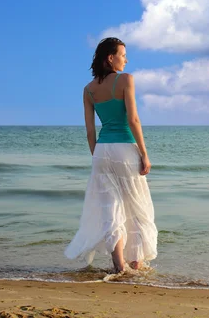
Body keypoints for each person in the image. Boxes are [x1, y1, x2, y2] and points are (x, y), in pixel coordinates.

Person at [65, 37, 157, 273]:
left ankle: (119, 265)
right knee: (137, 207)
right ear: (110, 57)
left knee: (111, 209)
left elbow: (89, 131)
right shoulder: (126, 79)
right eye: (123, 54)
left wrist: (98, 157)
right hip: (125, 148)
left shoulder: (88, 90)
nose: (126, 59)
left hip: (102, 151)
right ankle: (135, 262)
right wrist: (144, 154)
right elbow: (133, 119)